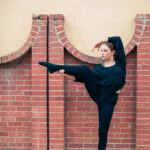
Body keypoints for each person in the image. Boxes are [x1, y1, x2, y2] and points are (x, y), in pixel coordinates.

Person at [38, 36, 126, 150]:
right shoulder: (99, 68)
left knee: (102, 131)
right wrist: (64, 74)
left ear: (113, 52)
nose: (102, 53)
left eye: (105, 51)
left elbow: (117, 39)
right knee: (84, 70)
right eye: (101, 51)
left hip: (108, 102)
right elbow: (82, 78)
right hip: (98, 94)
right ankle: (55, 68)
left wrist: (98, 43)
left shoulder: (120, 63)